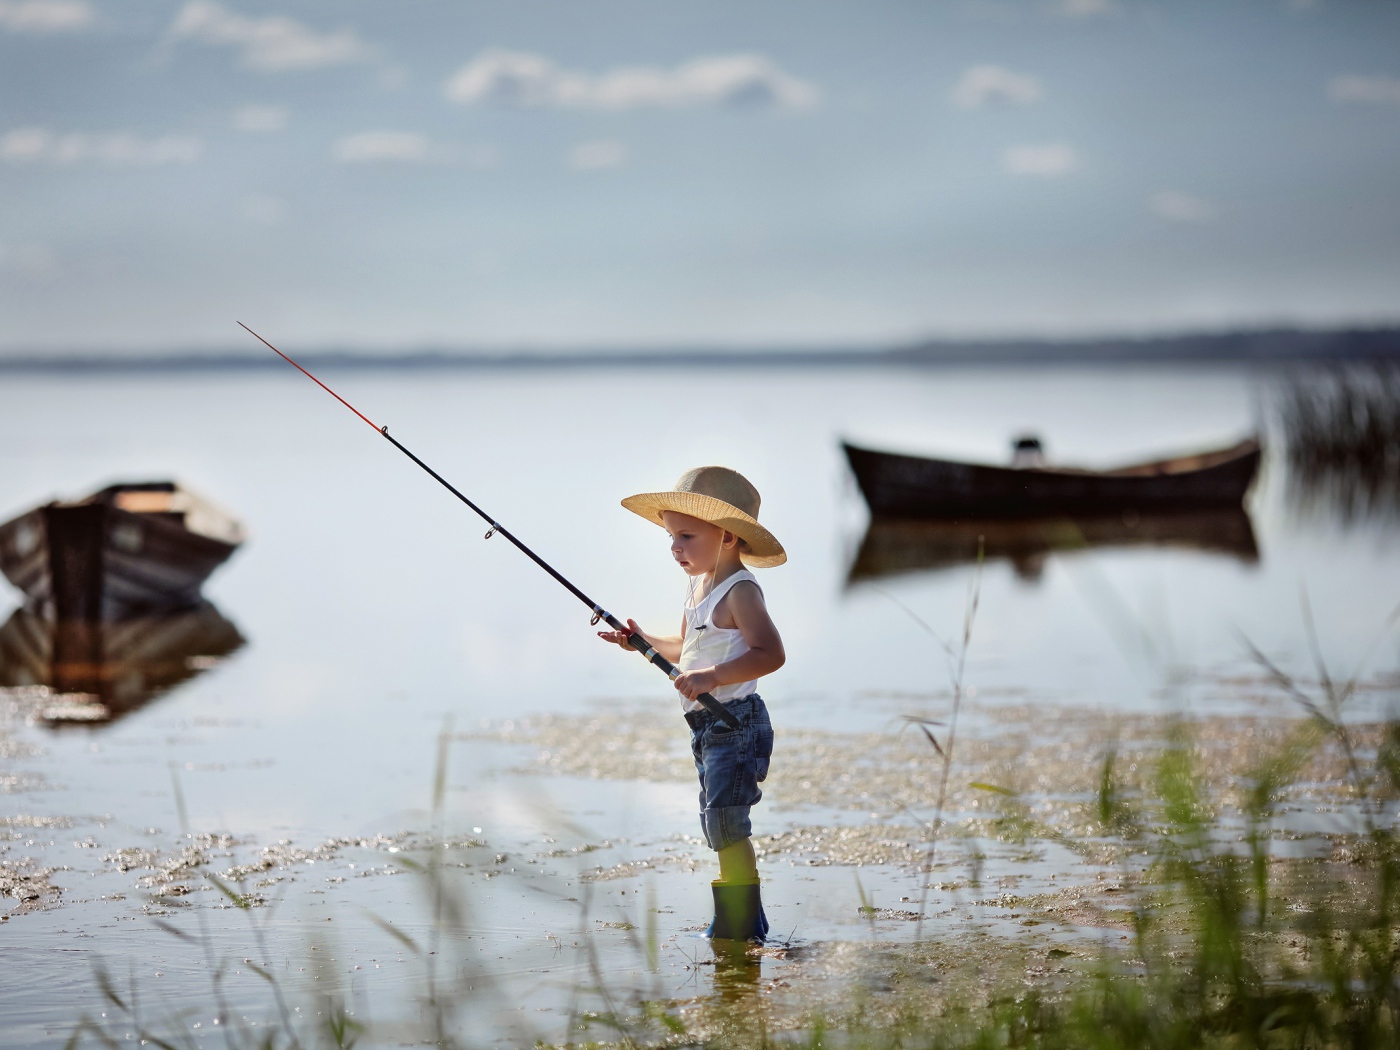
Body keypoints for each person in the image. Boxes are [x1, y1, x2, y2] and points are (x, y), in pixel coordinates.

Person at [598, 466, 786, 942]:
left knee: (727, 821)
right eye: (670, 537)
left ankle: (740, 923)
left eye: (686, 536)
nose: (675, 548)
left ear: (726, 535)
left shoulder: (740, 591)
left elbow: (770, 654)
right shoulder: (698, 587)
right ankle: (746, 921)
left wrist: (713, 677)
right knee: (714, 819)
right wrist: (641, 641)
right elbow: (685, 650)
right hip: (706, 725)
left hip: (735, 721)